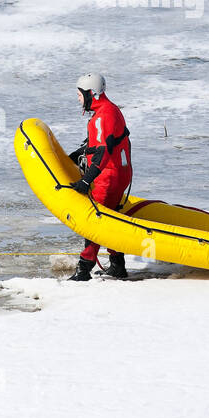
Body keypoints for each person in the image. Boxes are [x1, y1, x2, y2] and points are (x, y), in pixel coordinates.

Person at [66, 72, 132, 281]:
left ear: (90, 93)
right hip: (120, 173)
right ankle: (117, 265)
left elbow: (103, 151)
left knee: (95, 222)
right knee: (108, 218)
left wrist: (87, 180)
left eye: (79, 94)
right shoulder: (109, 109)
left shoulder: (102, 116)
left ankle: (83, 270)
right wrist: (75, 156)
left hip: (109, 177)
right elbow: (99, 144)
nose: (78, 98)